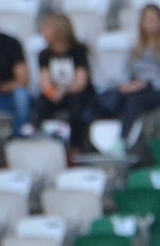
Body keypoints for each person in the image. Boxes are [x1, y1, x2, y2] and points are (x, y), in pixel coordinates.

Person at [96, 4, 160, 144]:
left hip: (159, 91)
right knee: (107, 98)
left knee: (135, 100)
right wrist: (127, 85)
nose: (150, 23)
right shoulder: (134, 49)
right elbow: (125, 72)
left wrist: (145, 83)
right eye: (147, 19)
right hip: (135, 88)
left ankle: (122, 140)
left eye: (154, 19)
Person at [36, 13, 96, 154]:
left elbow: (81, 81)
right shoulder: (44, 55)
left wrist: (64, 91)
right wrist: (52, 93)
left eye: (46, 28)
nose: (42, 32)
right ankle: (44, 140)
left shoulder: (78, 51)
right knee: (41, 103)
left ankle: (76, 146)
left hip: (77, 93)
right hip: (56, 93)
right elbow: (44, 81)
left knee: (77, 106)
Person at [0, 10, 32, 136]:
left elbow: (23, 80)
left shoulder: (11, 44)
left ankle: (17, 138)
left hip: (7, 95)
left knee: (22, 96)